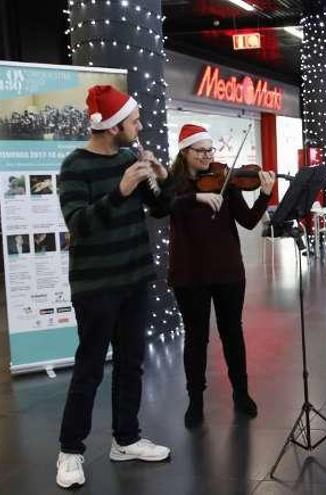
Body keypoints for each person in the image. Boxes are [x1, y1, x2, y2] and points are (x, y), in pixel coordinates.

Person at [55, 85, 172, 489]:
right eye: (134, 120)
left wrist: (160, 178)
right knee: (89, 368)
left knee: (131, 363)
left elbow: (160, 209)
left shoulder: (129, 157)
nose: (140, 126)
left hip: (135, 279)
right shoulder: (74, 166)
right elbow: (78, 226)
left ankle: (126, 438)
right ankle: (70, 450)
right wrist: (120, 191)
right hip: (96, 286)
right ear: (111, 125)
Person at [163, 124, 275, 427]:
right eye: (201, 151)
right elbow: (164, 207)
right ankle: (195, 400)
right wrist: (196, 198)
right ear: (185, 152)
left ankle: (241, 392)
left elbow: (250, 221)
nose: (208, 157)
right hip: (189, 273)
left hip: (227, 270)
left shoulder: (226, 179)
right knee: (196, 338)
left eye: (211, 150)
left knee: (232, 333)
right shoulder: (173, 184)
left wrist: (264, 195)